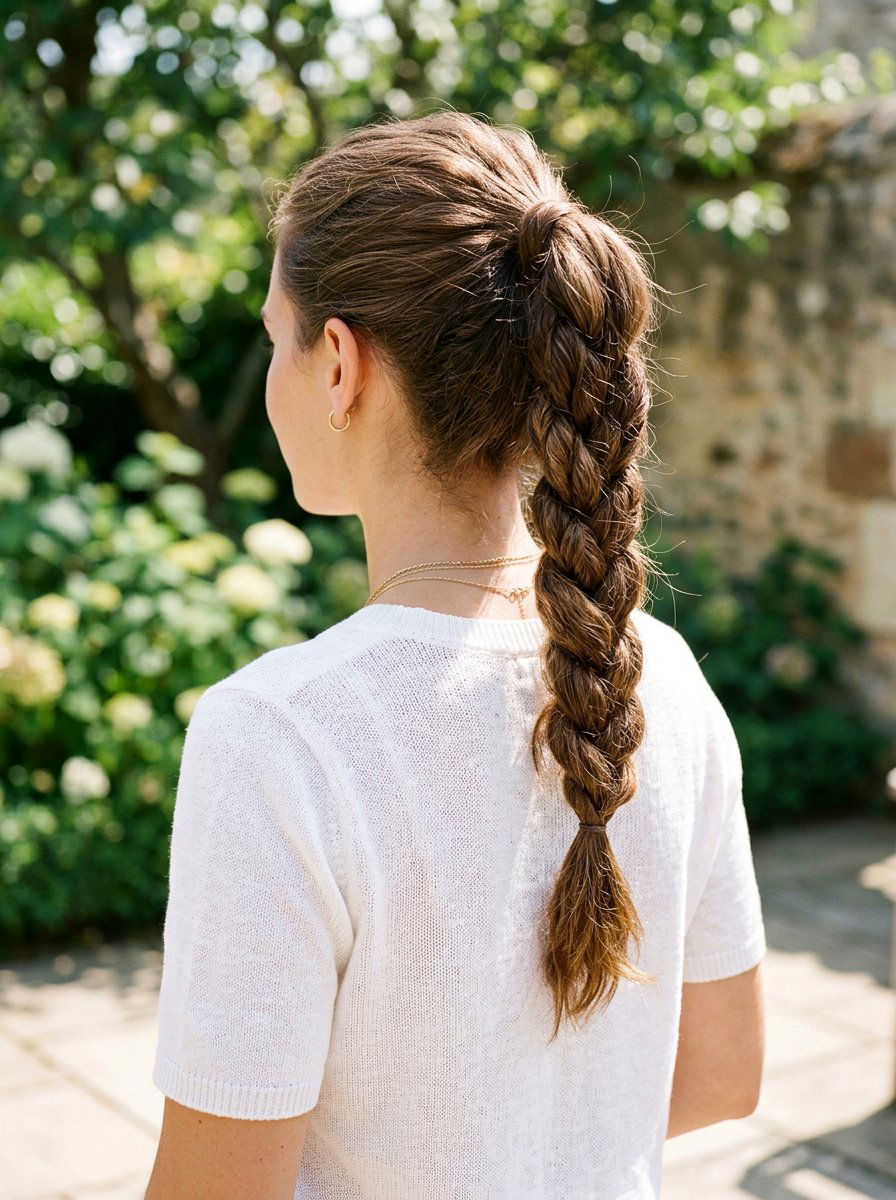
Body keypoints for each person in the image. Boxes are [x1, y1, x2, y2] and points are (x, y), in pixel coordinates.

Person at [146, 110, 766, 1200]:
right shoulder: (661, 673)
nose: (272, 380)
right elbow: (722, 1075)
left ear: (338, 363)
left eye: (271, 337)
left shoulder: (279, 735)